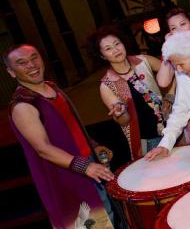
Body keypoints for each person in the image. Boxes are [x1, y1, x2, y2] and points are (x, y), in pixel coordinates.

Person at [5, 44, 116, 229]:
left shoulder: (51, 87)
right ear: (11, 72)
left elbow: (69, 126)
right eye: (22, 63)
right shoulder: (23, 105)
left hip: (88, 167)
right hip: (66, 180)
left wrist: (92, 145)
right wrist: (85, 166)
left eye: (34, 58)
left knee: (109, 218)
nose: (31, 65)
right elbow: (43, 149)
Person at [88, 26, 166, 160]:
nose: (115, 50)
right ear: (102, 55)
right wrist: (121, 113)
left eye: (117, 44)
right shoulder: (107, 85)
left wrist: (170, 96)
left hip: (172, 129)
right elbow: (124, 121)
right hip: (148, 141)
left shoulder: (143, 61)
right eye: (108, 49)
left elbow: (172, 70)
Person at [145, 31, 190, 160]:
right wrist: (165, 144)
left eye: (181, 64)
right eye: (175, 65)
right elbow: (180, 111)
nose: (178, 70)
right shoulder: (183, 75)